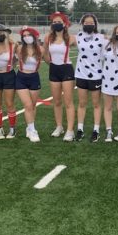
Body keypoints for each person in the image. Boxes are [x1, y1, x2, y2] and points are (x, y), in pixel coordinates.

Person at [43, 11, 77, 141]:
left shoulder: (71, 38)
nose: (57, 24)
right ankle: (59, 126)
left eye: (59, 22)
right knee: (56, 101)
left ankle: (70, 130)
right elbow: (45, 53)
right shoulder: (48, 37)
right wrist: (50, 62)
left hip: (66, 69)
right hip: (54, 70)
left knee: (68, 102)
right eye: (54, 22)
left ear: (65, 24)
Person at [75, 13, 107, 142]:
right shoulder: (77, 37)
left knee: (96, 104)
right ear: (82, 24)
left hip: (96, 75)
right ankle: (80, 129)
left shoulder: (102, 38)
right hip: (81, 74)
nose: (88, 25)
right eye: (86, 23)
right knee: (82, 103)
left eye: (91, 23)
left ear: (95, 24)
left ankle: (96, 130)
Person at [16, 26, 44, 142]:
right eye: (24, 36)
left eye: (29, 35)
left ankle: (29, 127)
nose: (27, 37)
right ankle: (33, 130)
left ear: (34, 36)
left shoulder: (40, 49)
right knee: (27, 105)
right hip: (21, 77)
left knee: (32, 106)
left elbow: (46, 59)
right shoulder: (19, 48)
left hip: (34, 77)